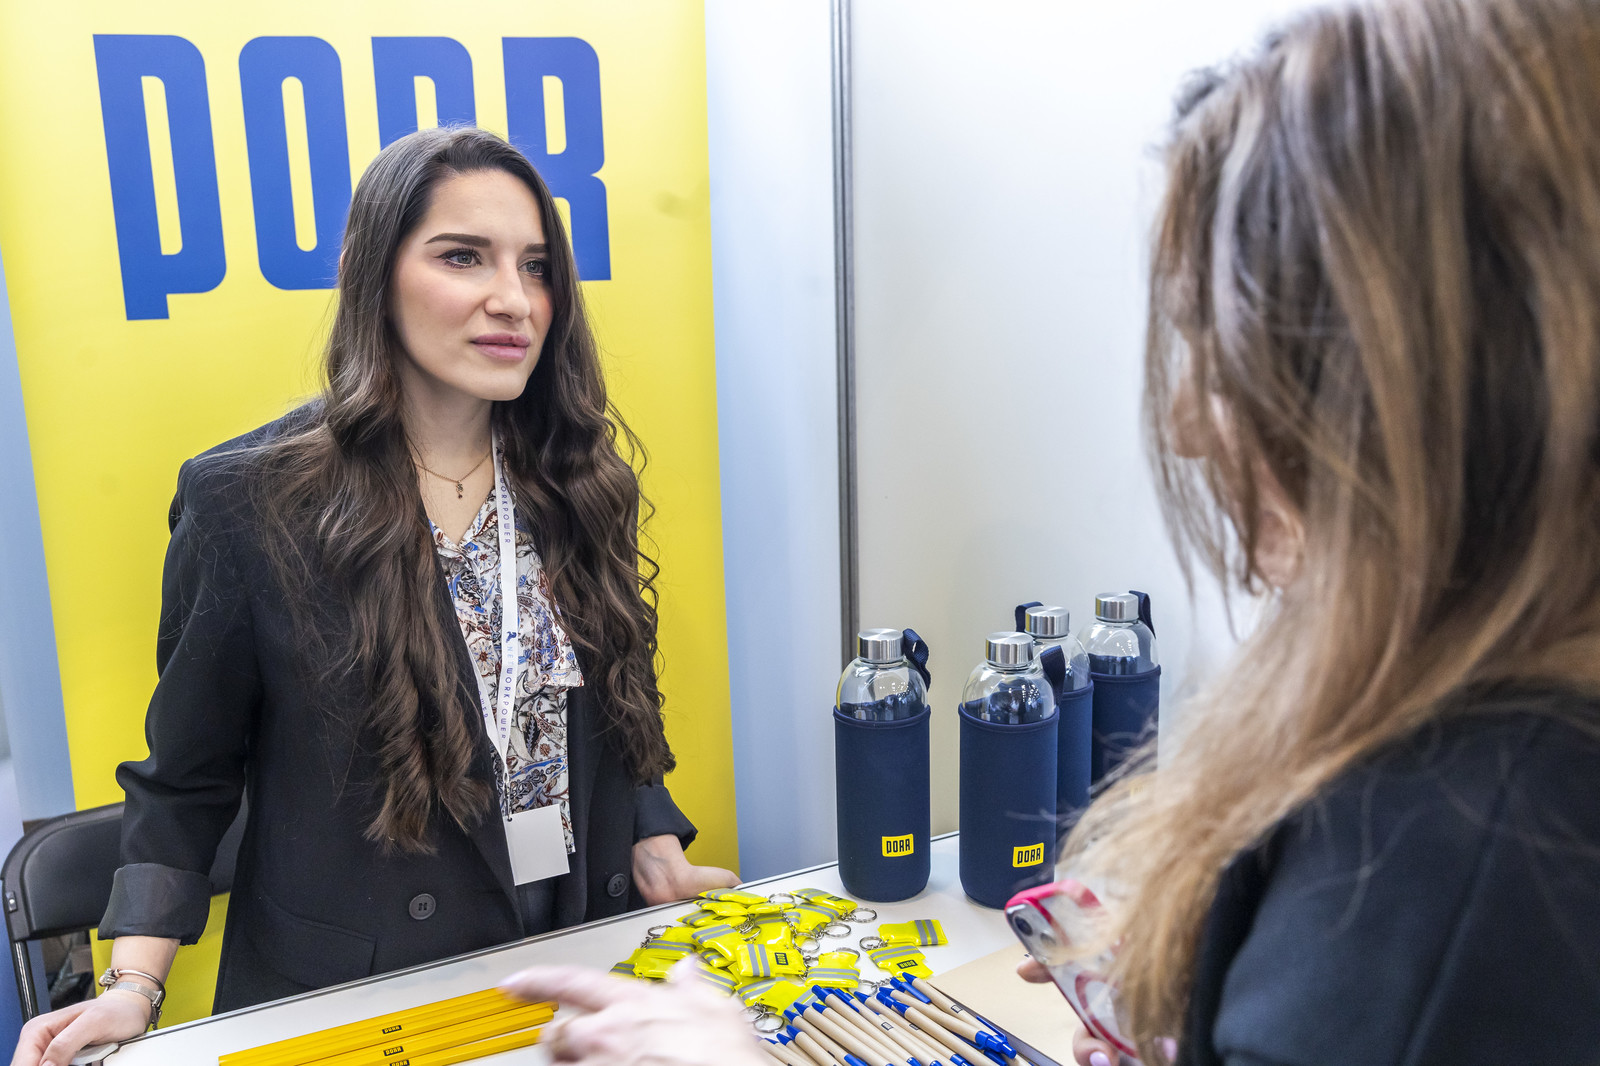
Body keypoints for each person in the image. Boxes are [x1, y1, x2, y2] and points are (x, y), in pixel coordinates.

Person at [493, 0, 1600, 1061]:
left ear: (1407, 374)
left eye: (1224, 353)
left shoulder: (1464, 850)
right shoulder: (1473, 766)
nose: (1188, 425)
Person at [14, 126, 737, 1066]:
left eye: (535, 266)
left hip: (570, 944)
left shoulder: (576, 478)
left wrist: (652, 840)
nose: (513, 299)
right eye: (462, 257)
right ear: (372, 271)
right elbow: (186, 779)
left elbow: (607, 704)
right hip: (367, 989)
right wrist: (133, 988)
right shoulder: (249, 502)